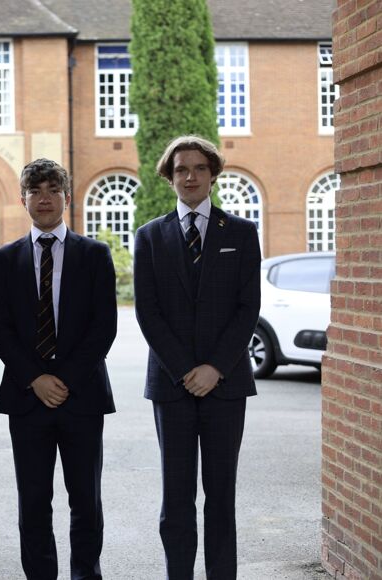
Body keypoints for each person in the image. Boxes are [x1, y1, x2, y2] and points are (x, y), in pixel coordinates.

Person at [133, 135, 261, 579]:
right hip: (172, 387)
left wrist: (215, 368)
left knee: (221, 496)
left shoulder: (241, 233)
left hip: (226, 385)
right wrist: (187, 370)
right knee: (176, 497)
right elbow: (148, 312)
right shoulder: (150, 236)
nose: (190, 176)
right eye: (181, 169)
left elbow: (248, 307)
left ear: (213, 175)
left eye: (199, 168)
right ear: (170, 178)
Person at [0, 158, 117, 580]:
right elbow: (0, 327)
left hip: (82, 397)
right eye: (35, 191)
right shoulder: (4, 259)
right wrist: (36, 379)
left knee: (86, 500)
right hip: (27, 398)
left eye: (53, 190)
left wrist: (64, 380)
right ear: (23, 199)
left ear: (67, 197)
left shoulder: (94, 255)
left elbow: (104, 326)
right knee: (33, 501)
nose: (44, 199)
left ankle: (86, 574)